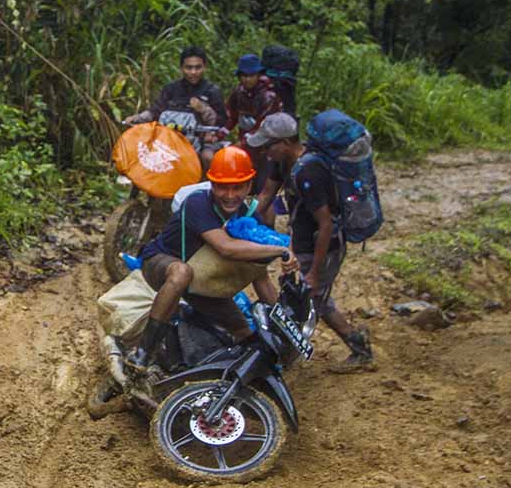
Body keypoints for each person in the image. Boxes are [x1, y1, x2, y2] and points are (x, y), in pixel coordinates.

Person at [127, 145, 299, 370]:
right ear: (212, 184)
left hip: (203, 283)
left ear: (249, 186)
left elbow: (260, 277)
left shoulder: (248, 218)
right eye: (222, 187)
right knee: (181, 273)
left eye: (238, 188)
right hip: (162, 263)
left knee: (246, 334)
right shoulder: (198, 203)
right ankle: (142, 351)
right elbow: (226, 247)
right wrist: (280, 250)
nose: (230, 196)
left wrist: (286, 327)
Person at [249, 112, 375, 372]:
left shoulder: (310, 173)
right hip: (302, 243)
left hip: (324, 248)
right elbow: (265, 197)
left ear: (285, 143)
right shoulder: (281, 162)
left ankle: (282, 361)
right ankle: (357, 343)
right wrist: (239, 223)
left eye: (268, 146)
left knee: (305, 305)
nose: (265, 152)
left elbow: (326, 224)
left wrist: (315, 273)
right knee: (316, 301)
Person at [123, 46, 227, 172]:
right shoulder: (171, 89)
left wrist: (204, 110)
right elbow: (155, 110)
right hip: (168, 140)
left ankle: (210, 182)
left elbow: (222, 121)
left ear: (204, 67)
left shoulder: (212, 91)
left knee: (208, 158)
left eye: (198, 67)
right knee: (142, 153)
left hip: (201, 140)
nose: (193, 72)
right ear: (181, 68)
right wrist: (138, 118)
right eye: (188, 68)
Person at [218, 53, 283, 195]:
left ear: (258, 75)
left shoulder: (269, 96)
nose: (247, 79)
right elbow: (231, 116)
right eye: (244, 75)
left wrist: (242, 144)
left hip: (266, 147)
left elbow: (263, 127)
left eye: (251, 75)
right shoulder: (238, 92)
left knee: (262, 189)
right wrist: (221, 133)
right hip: (246, 145)